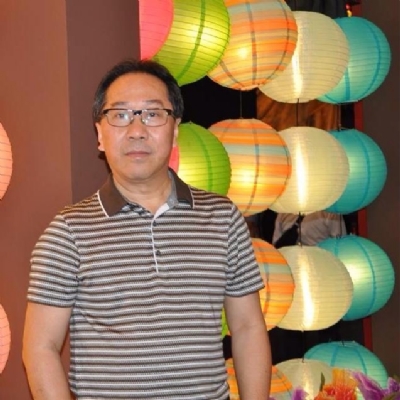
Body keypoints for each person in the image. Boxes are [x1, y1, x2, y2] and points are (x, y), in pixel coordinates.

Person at [22, 59, 271, 400]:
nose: (137, 130)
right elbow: (40, 348)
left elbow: (247, 327)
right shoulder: (67, 232)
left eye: (153, 114)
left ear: (175, 129)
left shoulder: (222, 217)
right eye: (120, 115)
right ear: (99, 134)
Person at [272, 210, 346, 247]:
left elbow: (340, 245)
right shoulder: (283, 212)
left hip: (320, 267)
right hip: (292, 267)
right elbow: (340, 246)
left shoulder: (329, 211)